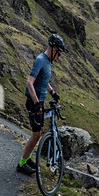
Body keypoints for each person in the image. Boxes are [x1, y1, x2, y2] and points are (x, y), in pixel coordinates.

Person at [17, 34, 67, 175]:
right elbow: (29, 82)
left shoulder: (47, 62)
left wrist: (52, 92)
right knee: (36, 134)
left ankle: (27, 159)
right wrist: (37, 103)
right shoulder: (40, 60)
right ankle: (22, 164)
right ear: (53, 49)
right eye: (59, 53)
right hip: (34, 102)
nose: (59, 57)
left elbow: (44, 79)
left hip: (39, 101)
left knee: (39, 133)